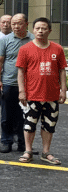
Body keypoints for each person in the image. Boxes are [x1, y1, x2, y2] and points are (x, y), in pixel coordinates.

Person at [16, 18, 67, 165]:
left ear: (49, 31)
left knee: (49, 125)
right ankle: (28, 151)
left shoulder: (57, 49)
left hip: (52, 96)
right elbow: (20, 72)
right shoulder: (25, 49)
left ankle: (46, 152)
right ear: (33, 30)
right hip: (32, 95)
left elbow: (62, 70)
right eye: (37, 28)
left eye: (43, 28)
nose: (40, 31)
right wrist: (22, 91)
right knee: (29, 124)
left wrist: (63, 90)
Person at [0, 13, 34, 154]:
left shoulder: (34, 40)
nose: (16, 27)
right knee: (6, 115)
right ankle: (6, 141)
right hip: (8, 83)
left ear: (27, 24)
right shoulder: (5, 40)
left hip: (29, 84)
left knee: (26, 115)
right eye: (13, 24)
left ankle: (24, 144)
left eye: (19, 24)